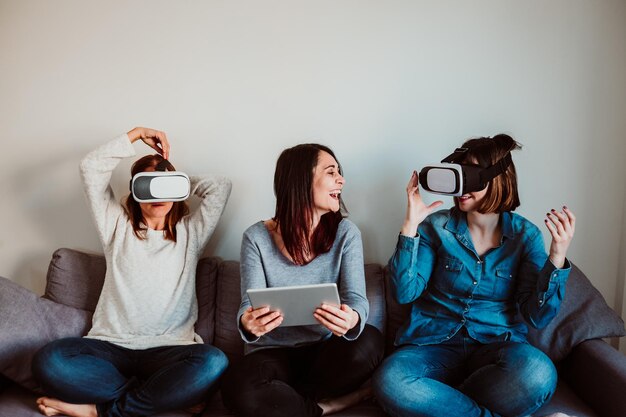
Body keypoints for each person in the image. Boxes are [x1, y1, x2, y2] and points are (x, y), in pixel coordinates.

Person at [32, 127, 232, 417]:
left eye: (164, 186)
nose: (156, 194)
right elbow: (91, 167)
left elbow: (221, 187)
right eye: (147, 186)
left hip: (170, 350)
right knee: (49, 360)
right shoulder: (116, 226)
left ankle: (99, 412)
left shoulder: (191, 233)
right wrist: (136, 134)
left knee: (214, 362)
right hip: (110, 348)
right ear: (136, 192)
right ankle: (162, 397)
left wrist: (172, 180)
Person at [373, 134, 576, 417]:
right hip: (433, 346)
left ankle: (444, 406)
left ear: (497, 179)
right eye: (459, 174)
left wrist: (556, 257)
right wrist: (410, 225)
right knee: (391, 382)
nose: (461, 187)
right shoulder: (437, 226)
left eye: (471, 176)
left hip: (496, 349)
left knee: (538, 372)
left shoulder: (525, 236)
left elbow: (537, 317)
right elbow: (405, 292)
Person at [221, 143, 384, 417]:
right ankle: (323, 407)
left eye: (339, 172)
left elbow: (356, 299)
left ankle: (288, 402)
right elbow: (249, 304)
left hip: (325, 353)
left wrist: (353, 319)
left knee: (369, 341)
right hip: (272, 353)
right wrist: (247, 323)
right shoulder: (256, 237)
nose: (341, 180)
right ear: (301, 180)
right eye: (331, 172)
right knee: (236, 388)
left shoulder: (346, 233)